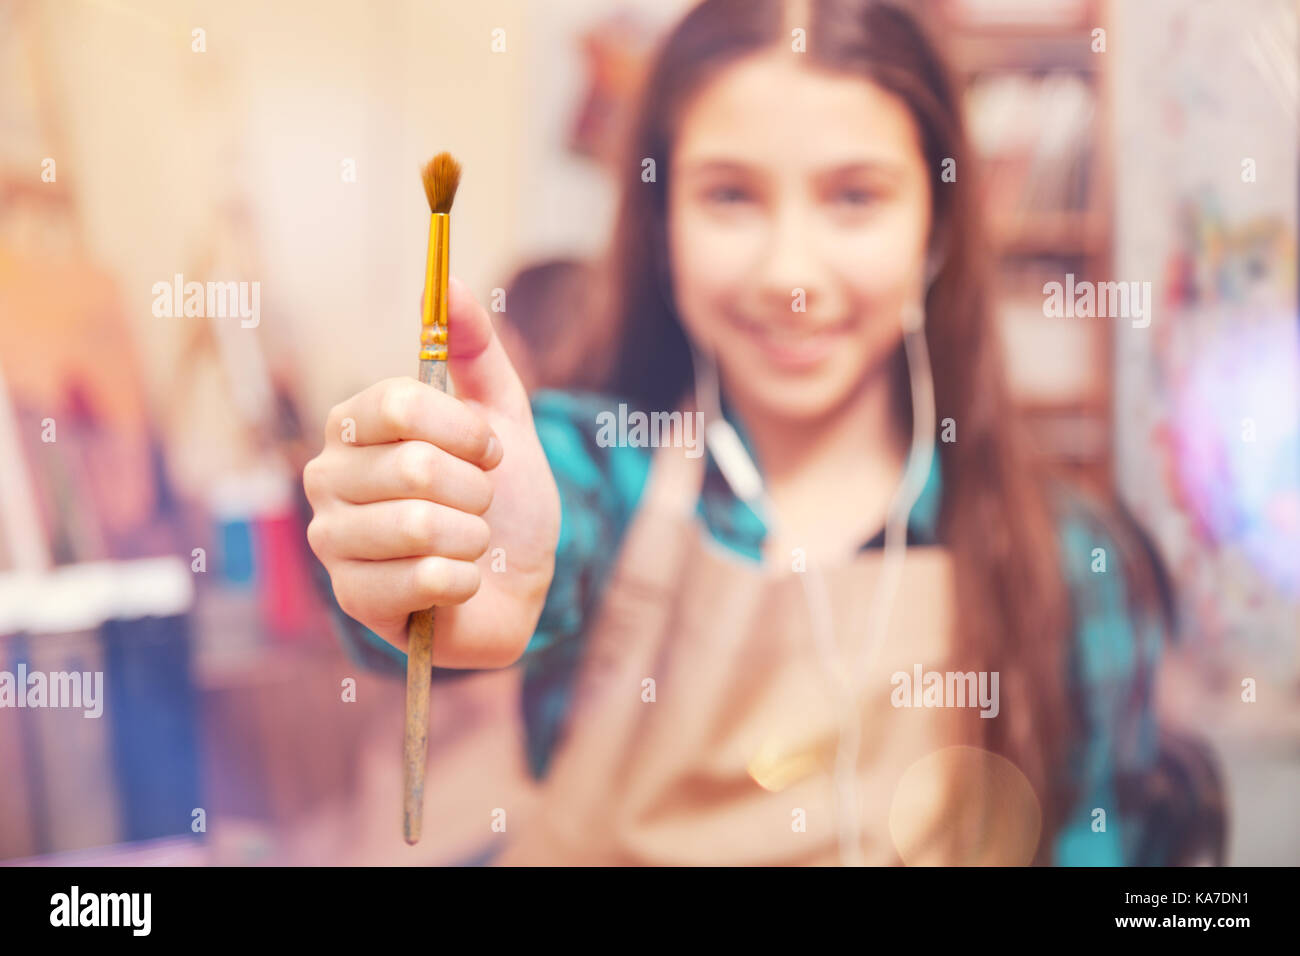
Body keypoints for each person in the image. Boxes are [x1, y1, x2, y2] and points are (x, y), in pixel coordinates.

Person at [304, 0, 1184, 865]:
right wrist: (423, 546)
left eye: (854, 196)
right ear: (662, 227)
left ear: (937, 230)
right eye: (730, 195)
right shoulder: (606, 476)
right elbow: (516, 535)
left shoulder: (1072, 563)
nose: (789, 275)